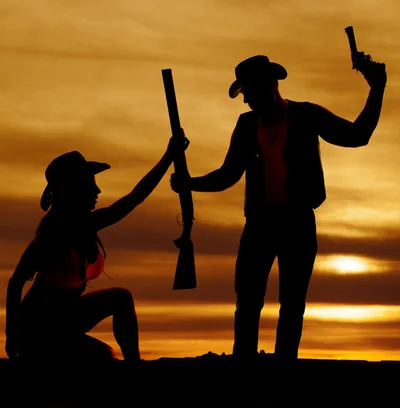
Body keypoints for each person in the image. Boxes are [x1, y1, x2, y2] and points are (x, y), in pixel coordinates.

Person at [170, 52, 387, 362]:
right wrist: (190, 183)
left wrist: (376, 89)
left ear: (269, 84)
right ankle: (244, 365)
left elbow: (357, 136)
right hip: (259, 223)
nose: (245, 101)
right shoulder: (246, 126)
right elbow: (228, 175)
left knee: (292, 302)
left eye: (248, 91)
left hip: (298, 221)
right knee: (247, 300)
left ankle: (284, 369)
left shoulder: (306, 116)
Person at [5, 132, 188, 363]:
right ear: (74, 191)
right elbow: (16, 282)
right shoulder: (52, 235)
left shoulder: (86, 225)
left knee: (114, 324)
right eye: (91, 186)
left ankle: (134, 365)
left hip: (64, 320)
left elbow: (135, 197)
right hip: (40, 328)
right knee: (105, 353)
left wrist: (169, 157)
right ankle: (134, 368)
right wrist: (12, 336)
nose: (98, 192)